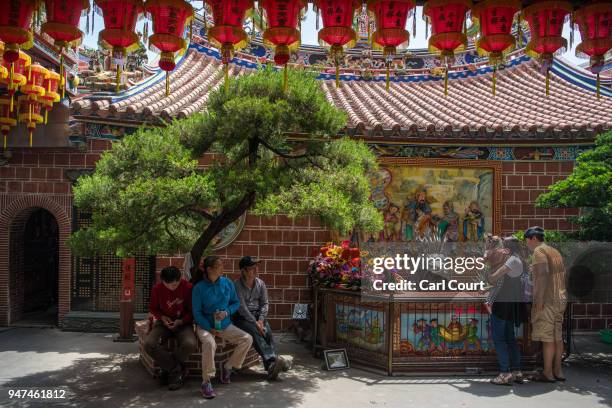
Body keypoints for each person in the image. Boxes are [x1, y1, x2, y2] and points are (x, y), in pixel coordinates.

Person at [192, 256, 253, 399]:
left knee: (247, 339)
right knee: (209, 342)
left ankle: (228, 367)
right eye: (219, 266)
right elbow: (197, 313)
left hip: (225, 325)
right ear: (209, 269)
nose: (222, 268)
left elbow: (235, 303)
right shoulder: (198, 288)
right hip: (205, 326)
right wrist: (209, 328)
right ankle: (206, 381)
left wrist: (226, 312)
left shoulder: (227, 283)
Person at [233, 256, 288, 380]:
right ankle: (274, 361)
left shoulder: (260, 283)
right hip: (242, 317)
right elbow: (242, 308)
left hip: (258, 316)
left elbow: (265, 303)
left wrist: (261, 320)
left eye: (256, 267)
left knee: (267, 332)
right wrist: (255, 323)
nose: (256, 270)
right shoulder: (237, 285)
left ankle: (271, 367)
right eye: (252, 268)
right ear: (244, 271)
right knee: (255, 332)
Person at [525, 226, 567, 382]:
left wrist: (539, 299)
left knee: (547, 338)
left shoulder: (538, 251)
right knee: (557, 336)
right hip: (560, 298)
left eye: (527, 241)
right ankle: (558, 371)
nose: (527, 244)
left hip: (547, 300)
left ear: (534, 238)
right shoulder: (554, 251)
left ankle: (548, 373)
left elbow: (543, 275)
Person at [144, 266, 197, 391]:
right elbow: (153, 308)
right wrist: (162, 317)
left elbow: (192, 310)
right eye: (169, 285)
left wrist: (181, 321)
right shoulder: (157, 289)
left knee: (190, 344)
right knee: (149, 344)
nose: (173, 287)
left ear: (180, 279)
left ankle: (167, 369)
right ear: (163, 281)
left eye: (176, 284)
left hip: (183, 323)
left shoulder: (188, 287)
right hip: (163, 323)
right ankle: (176, 370)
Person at [485, 236, 528, 385]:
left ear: (507, 248)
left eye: (503, 245)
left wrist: (486, 262)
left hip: (503, 305)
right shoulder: (518, 259)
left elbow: (492, 279)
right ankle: (516, 371)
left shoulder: (512, 261)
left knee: (499, 339)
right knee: (510, 339)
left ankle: (505, 373)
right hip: (512, 304)